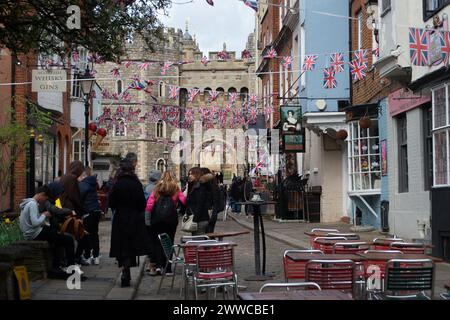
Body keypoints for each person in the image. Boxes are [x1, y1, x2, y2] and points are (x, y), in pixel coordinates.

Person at [109, 159, 150, 287]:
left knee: (121, 245)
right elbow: (142, 204)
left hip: (120, 217)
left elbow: (111, 203)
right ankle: (127, 270)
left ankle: (124, 270)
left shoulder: (117, 184)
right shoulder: (136, 184)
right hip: (133, 218)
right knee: (130, 245)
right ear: (132, 170)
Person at [19, 185, 77, 277]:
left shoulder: (28, 203)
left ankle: (56, 268)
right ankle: (71, 271)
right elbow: (35, 223)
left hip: (31, 233)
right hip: (35, 234)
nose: (45, 200)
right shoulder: (33, 204)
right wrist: (44, 215)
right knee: (68, 240)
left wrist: (41, 216)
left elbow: (32, 221)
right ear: (41, 194)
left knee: (58, 238)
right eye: (45, 198)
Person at [145, 171, 186, 275]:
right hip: (171, 219)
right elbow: (184, 201)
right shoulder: (175, 188)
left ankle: (158, 266)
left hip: (157, 219)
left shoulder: (157, 188)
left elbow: (149, 205)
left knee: (157, 242)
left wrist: (147, 220)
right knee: (169, 242)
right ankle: (168, 268)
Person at [78, 167, 103, 266]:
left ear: (83, 175)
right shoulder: (92, 183)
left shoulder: (84, 184)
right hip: (96, 210)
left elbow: (80, 197)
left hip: (88, 211)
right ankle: (96, 256)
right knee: (95, 233)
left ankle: (87, 256)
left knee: (87, 234)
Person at [143, 169, 162, 273]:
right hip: (156, 218)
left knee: (150, 241)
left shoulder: (146, 188)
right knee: (156, 242)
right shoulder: (158, 189)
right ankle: (155, 264)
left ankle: (150, 262)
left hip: (147, 218)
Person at [186, 167, 212, 236]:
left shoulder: (199, 188)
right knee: (197, 241)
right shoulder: (193, 186)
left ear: (197, 175)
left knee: (198, 243)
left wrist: (194, 220)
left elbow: (199, 205)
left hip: (200, 220)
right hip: (197, 219)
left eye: (192, 174)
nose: (189, 176)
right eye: (189, 174)